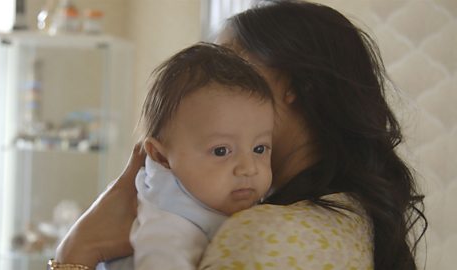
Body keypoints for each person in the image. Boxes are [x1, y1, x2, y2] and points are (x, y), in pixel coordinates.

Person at [52, 1, 427, 270]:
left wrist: (77, 252)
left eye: (232, 65)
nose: (214, 83)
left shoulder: (264, 236)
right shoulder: (349, 211)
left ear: (294, 86)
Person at [101, 43, 274, 270]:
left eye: (259, 149)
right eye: (221, 151)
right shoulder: (169, 222)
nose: (249, 168)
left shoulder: (208, 195)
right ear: (162, 158)